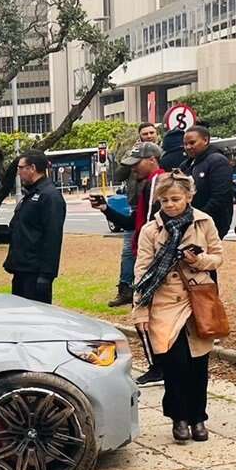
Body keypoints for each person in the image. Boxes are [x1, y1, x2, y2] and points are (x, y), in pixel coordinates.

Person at [131, 173, 222, 443]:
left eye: (176, 199)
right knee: (174, 364)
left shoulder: (204, 222)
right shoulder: (151, 230)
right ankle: (178, 417)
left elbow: (218, 257)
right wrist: (140, 310)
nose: (170, 205)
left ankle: (198, 418)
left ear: (188, 197)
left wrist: (199, 259)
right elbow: (142, 271)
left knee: (198, 365)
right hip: (163, 302)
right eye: (165, 200)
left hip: (197, 300)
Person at [93, 142, 167, 386]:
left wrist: (147, 261)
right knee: (149, 315)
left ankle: (159, 368)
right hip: (145, 255)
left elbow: (147, 226)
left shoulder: (157, 182)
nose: (134, 169)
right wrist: (106, 209)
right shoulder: (147, 185)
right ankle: (160, 366)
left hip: (150, 258)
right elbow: (132, 224)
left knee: (143, 314)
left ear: (152, 160)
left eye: (137, 163)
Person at [3, 151, 66, 304]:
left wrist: (46, 276)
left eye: (21, 168)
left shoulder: (49, 196)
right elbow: (20, 229)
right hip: (21, 270)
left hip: (36, 273)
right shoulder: (30, 195)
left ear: (32, 168)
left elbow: (53, 238)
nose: (18, 173)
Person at [108, 123, 159, 306]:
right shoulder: (136, 161)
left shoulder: (159, 179)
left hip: (149, 218)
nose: (149, 136)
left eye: (152, 132)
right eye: (145, 133)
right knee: (129, 252)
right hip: (135, 206)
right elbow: (119, 174)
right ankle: (126, 289)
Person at [180, 125, 235, 240]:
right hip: (189, 223)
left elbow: (220, 196)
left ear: (205, 140)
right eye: (185, 144)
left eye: (192, 143)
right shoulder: (186, 165)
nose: (188, 147)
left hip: (211, 223)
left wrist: (198, 217)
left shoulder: (218, 161)